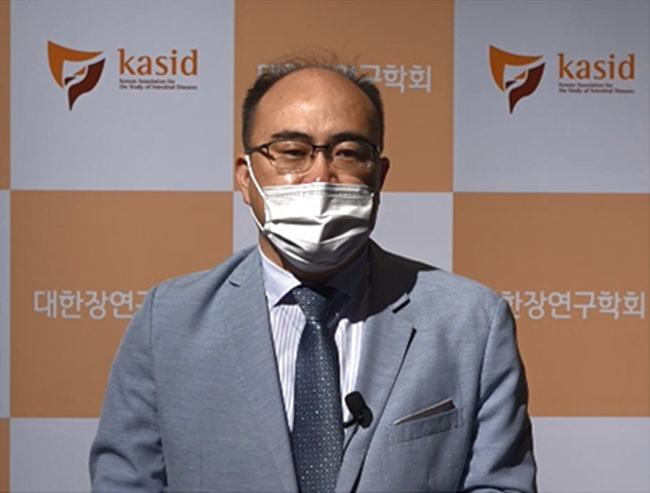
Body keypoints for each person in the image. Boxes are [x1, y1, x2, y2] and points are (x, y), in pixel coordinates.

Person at [89, 59, 536, 493]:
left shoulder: (472, 321)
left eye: (348, 153)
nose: (321, 175)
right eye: (292, 152)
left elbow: (500, 484)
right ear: (246, 177)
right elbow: (127, 482)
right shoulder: (168, 321)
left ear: (378, 176)